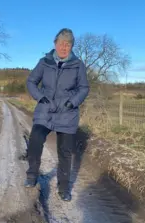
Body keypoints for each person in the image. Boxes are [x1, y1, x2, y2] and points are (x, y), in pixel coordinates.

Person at [24, 28, 90, 201]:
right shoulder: (44, 62)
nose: (64, 47)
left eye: (68, 44)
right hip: (46, 110)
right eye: (61, 43)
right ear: (55, 44)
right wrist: (40, 98)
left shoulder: (78, 65)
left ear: (71, 46)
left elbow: (84, 88)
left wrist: (72, 102)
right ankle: (32, 175)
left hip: (67, 113)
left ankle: (63, 187)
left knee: (65, 152)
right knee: (35, 140)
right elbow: (31, 81)